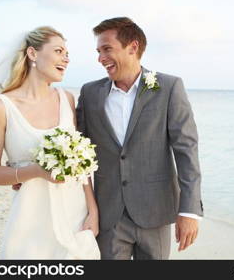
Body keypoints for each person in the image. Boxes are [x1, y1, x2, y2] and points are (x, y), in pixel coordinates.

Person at [76, 17, 203, 260]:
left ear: (132, 48)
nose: (100, 58)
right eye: (99, 51)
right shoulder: (90, 93)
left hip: (155, 212)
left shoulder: (169, 87)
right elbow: (76, 150)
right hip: (108, 214)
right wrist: (31, 170)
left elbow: (187, 150)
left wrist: (189, 210)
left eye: (107, 49)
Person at [0, 26, 99, 259]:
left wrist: (93, 211)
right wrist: (34, 171)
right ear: (33, 54)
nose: (66, 58)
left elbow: (81, 164)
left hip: (75, 214)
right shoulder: (0, 107)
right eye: (58, 51)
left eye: (67, 54)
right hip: (31, 218)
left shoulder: (67, 99)